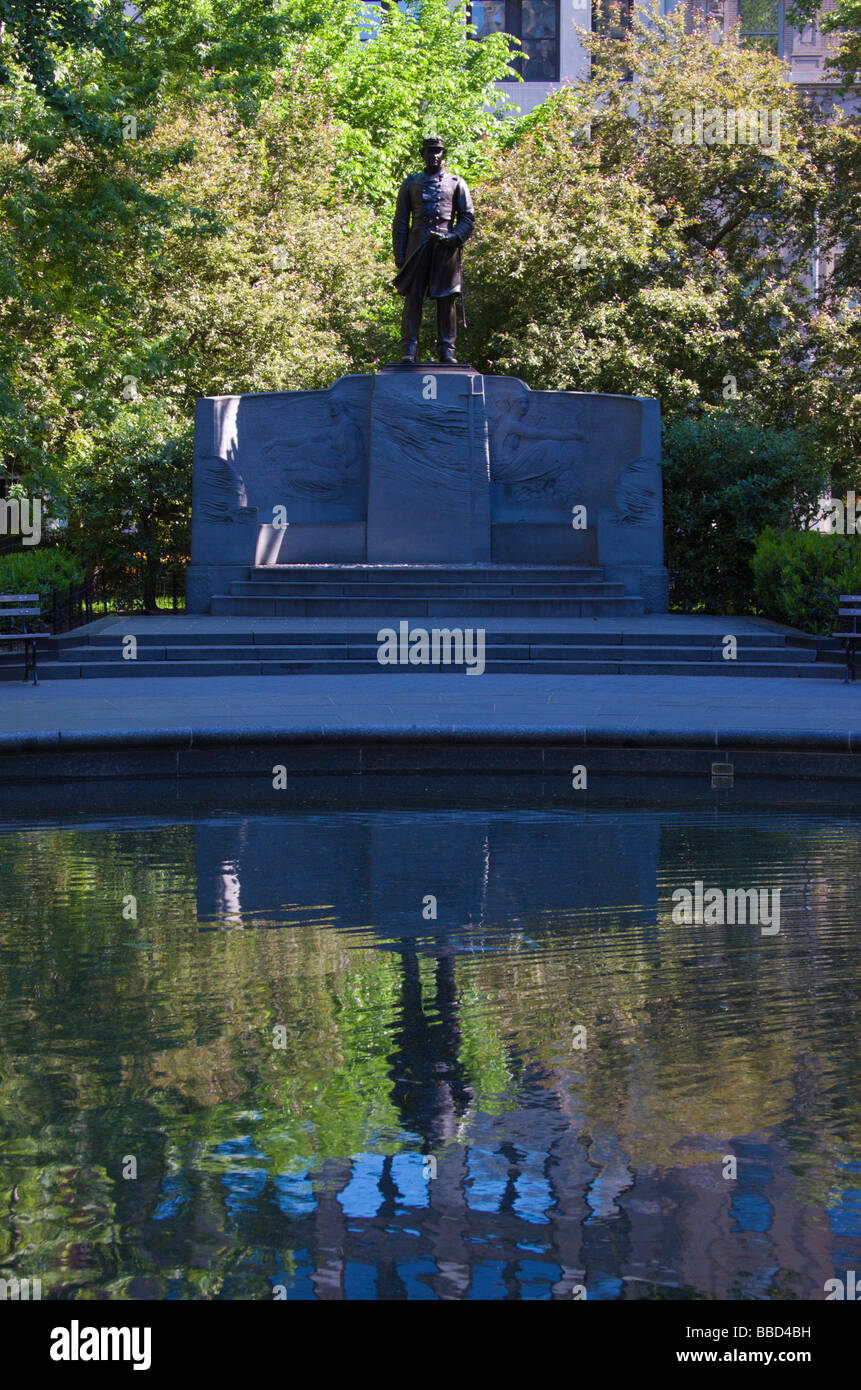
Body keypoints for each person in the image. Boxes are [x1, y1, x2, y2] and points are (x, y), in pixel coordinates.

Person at [392, 135, 474, 365]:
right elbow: (400, 221)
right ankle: (409, 348)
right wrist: (399, 253)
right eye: (429, 151)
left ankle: (447, 349)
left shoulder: (457, 183)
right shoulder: (410, 183)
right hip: (416, 248)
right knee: (413, 297)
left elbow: (467, 218)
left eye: (438, 151)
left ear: (443, 155)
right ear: (423, 155)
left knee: (447, 299)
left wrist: (453, 237)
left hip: (445, 250)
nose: (434, 156)